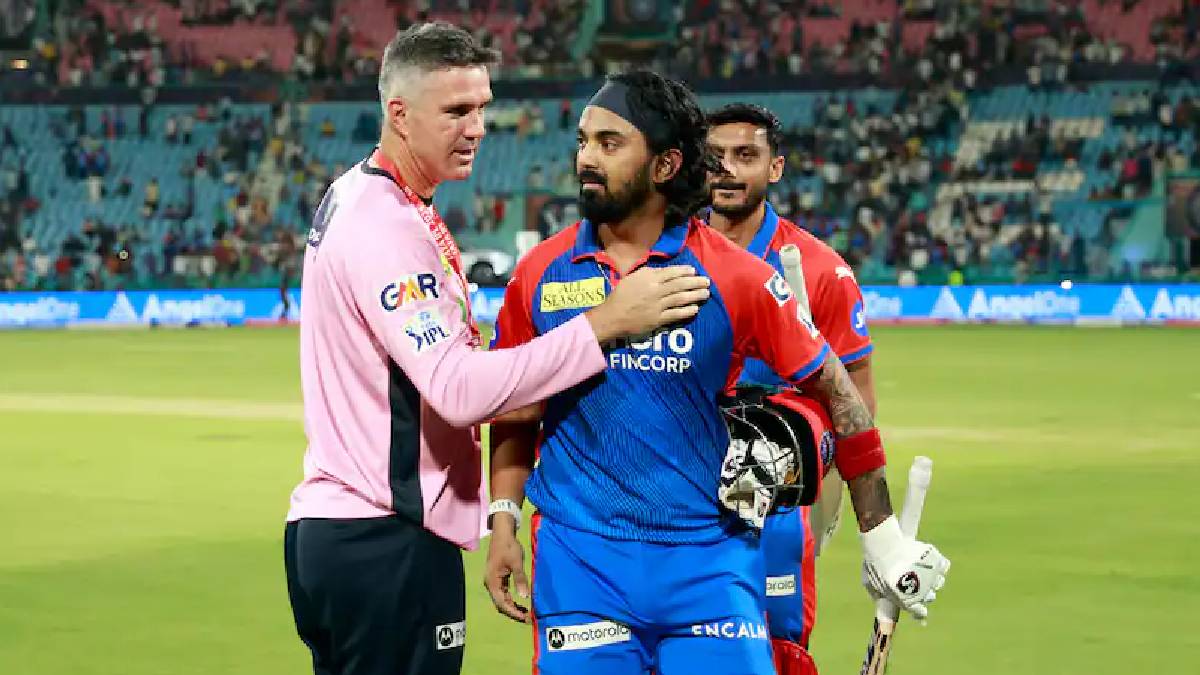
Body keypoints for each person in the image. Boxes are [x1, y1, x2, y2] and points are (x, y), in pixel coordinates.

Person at [485, 70, 949, 675]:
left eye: (609, 143)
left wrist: (881, 537)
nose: (586, 159)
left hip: (710, 565)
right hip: (581, 565)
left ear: (665, 164)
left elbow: (840, 393)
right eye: (583, 141)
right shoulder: (539, 272)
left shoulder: (739, 277)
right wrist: (503, 518)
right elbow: (516, 412)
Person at [283, 24, 710, 675]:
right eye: (456, 110)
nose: (477, 128)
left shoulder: (358, 194)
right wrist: (604, 323)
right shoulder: (385, 226)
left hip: (345, 534)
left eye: (482, 107)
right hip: (385, 540)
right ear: (399, 114)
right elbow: (458, 390)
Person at [705, 103, 876, 675]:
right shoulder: (663, 256)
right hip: (674, 495)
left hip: (777, 509)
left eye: (745, 155)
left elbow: (857, 405)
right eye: (715, 156)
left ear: (775, 168)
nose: (727, 170)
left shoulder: (820, 270)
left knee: (777, 654)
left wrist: (854, 513)